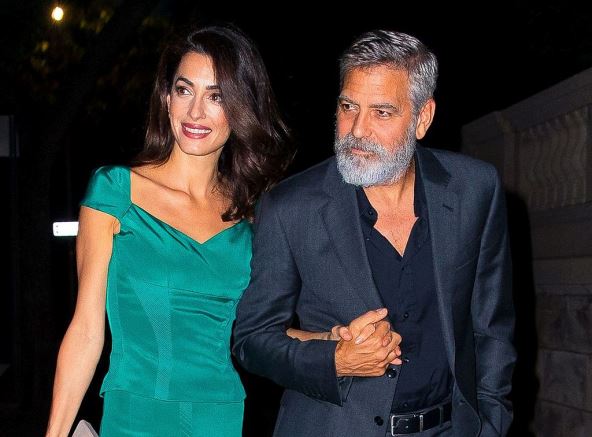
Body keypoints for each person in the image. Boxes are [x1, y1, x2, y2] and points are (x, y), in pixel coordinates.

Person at [233, 29, 516, 437]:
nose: (357, 129)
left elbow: (492, 328)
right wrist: (335, 361)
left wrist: (491, 423)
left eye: (381, 112)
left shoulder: (475, 189)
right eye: (348, 106)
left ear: (422, 118)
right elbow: (252, 339)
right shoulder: (290, 207)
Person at [45, 24, 297, 437]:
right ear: (166, 98)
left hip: (219, 418)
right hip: (134, 418)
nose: (195, 112)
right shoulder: (115, 192)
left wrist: (331, 342)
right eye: (184, 90)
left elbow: (260, 332)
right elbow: (86, 331)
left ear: (240, 108)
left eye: (216, 96)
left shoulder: (251, 221)